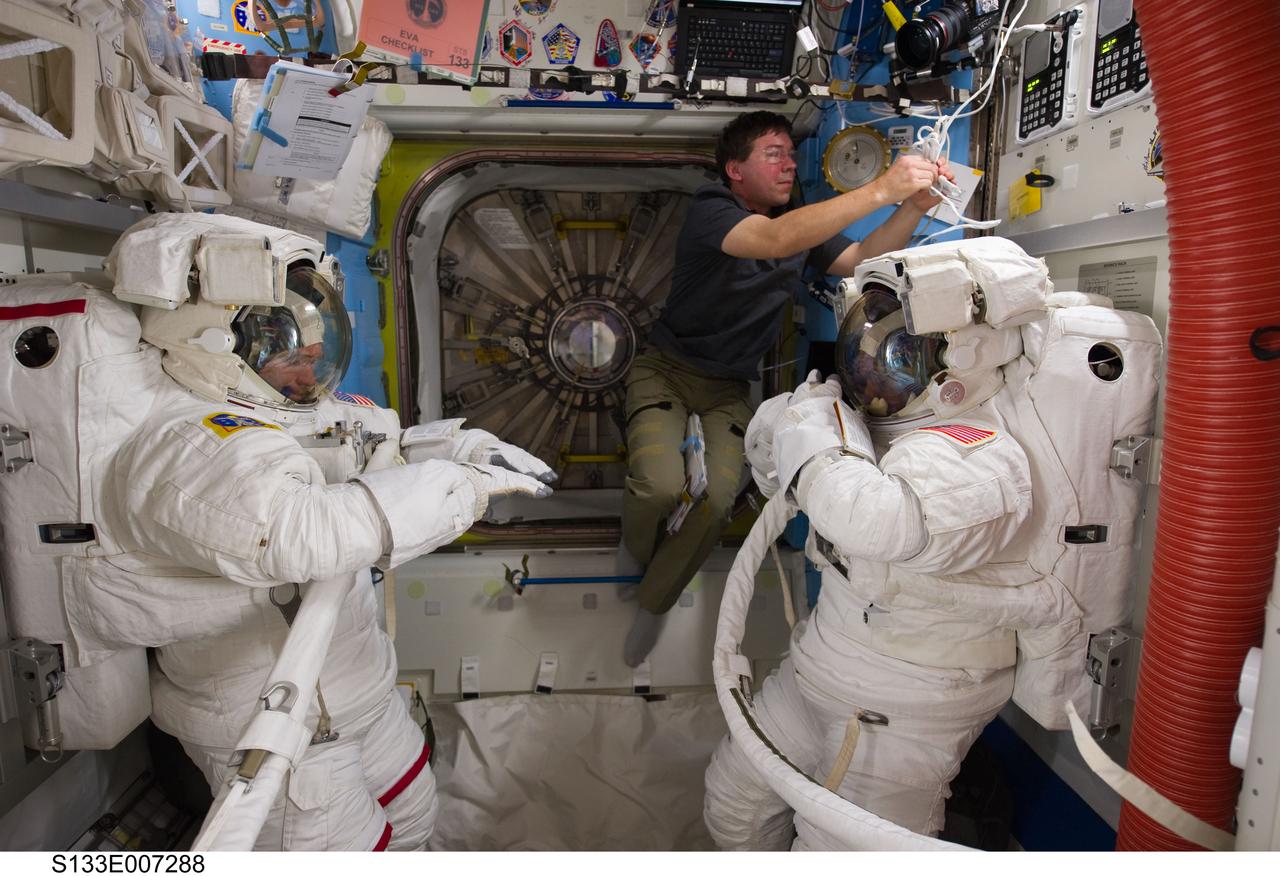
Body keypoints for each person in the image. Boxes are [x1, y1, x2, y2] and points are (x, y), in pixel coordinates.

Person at [9, 212, 553, 850]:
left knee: (413, 820)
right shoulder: (187, 445)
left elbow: (383, 442)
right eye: (291, 354)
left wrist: (467, 446)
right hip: (276, 728)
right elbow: (303, 530)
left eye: (316, 352)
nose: (310, 372)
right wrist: (465, 488)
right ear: (215, 343)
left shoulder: (280, 412)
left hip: (359, 693)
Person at [702, 237, 1163, 848]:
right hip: (817, 667)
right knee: (731, 811)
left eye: (895, 358)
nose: (870, 374)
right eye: (865, 352)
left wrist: (814, 435)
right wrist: (788, 437)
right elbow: (788, 477)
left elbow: (876, 518)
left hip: (901, 708)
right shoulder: (870, 431)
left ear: (962, 358)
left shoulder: (983, 453)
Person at [620, 110, 953, 666]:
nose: (788, 163)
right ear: (734, 170)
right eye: (772, 153)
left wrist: (914, 205)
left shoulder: (802, 225)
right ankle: (635, 557)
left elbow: (860, 261)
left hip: (727, 386)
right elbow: (773, 240)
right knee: (658, 487)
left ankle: (654, 601)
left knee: (721, 500)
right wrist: (882, 186)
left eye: (790, 155)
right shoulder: (713, 209)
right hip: (666, 370)